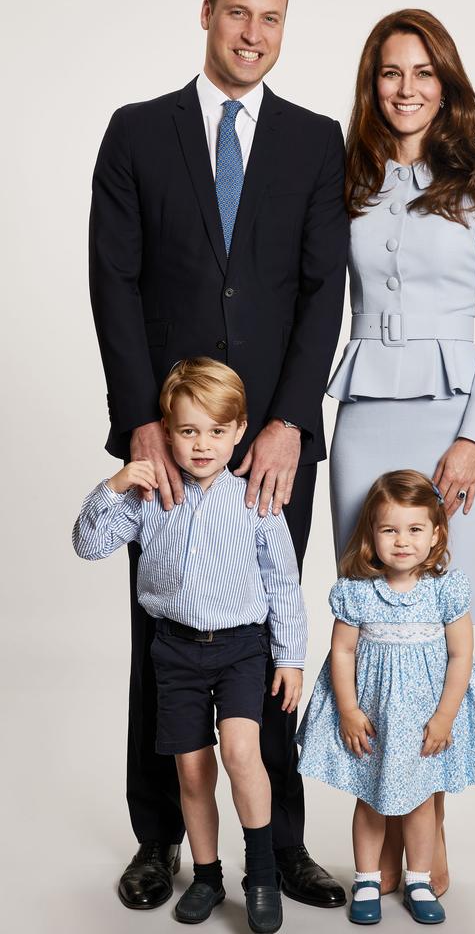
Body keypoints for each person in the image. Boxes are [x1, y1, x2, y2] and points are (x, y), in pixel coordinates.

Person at [88, 0, 348, 909]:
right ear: (207, 14)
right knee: (161, 638)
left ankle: (277, 842)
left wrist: (288, 421)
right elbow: (111, 282)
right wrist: (139, 428)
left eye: (272, 19)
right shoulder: (137, 133)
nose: (253, 34)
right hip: (171, 440)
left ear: (285, 29)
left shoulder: (317, 143)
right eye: (238, 13)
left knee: (270, 640)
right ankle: (160, 836)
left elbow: (327, 291)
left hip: (270, 449)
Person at [327, 9, 475, 894]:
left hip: (453, 416)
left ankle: (429, 830)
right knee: (375, 631)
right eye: (388, 73)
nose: (405, 89)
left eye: (422, 72)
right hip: (366, 411)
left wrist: (473, 437)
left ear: (446, 82)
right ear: (373, 86)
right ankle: (381, 845)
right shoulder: (349, 176)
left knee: (439, 626)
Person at [74, 359, 307, 930]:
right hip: (174, 650)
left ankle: (262, 874)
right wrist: (115, 485)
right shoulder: (153, 497)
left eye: (216, 431)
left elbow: (284, 582)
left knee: (240, 753)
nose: (202, 445)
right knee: (193, 771)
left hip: (241, 649)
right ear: (168, 431)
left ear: (239, 430)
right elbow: (88, 544)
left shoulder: (255, 500)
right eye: (187, 431)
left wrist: (291, 657)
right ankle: (206, 875)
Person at [296, 470, 475, 924]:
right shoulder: (357, 592)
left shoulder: (445, 589)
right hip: (374, 718)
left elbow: (461, 655)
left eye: (414, 530)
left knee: (422, 800)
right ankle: (367, 878)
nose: (402, 541)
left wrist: (446, 716)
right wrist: (348, 711)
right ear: (372, 535)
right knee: (369, 799)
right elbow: (343, 652)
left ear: (436, 534)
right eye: (389, 530)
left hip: (426, 719)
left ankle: (418, 878)